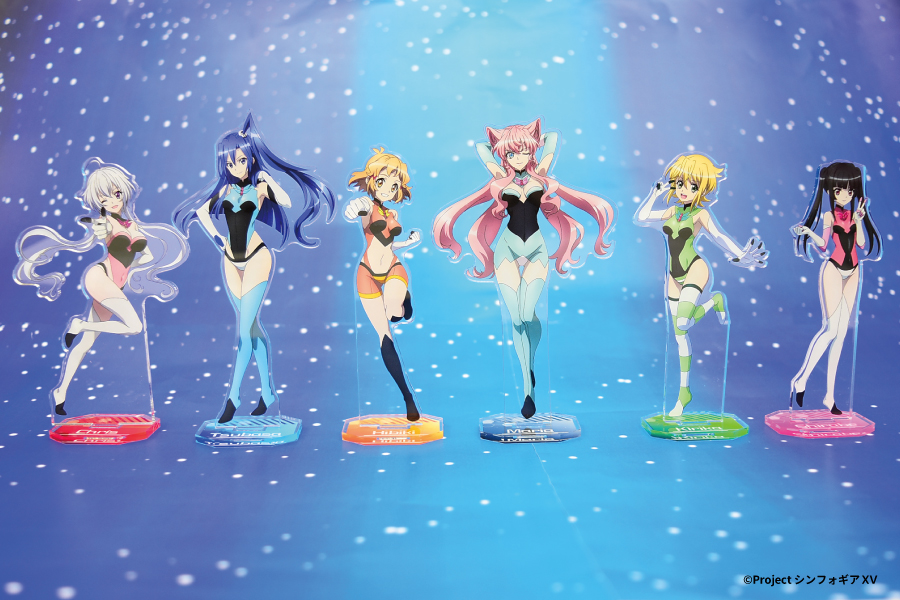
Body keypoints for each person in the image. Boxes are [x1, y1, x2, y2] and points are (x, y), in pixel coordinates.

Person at [434, 119, 614, 419]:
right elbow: (481, 146)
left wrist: (530, 141)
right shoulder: (498, 181)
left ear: (531, 152)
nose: (518, 158)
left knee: (528, 313)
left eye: (523, 152)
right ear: (504, 156)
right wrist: (502, 145)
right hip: (507, 249)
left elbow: (552, 135)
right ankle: (528, 386)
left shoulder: (541, 177)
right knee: (516, 318)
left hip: (536, 250)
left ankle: (530, 365)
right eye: (511, 154)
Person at [173, 112, 335, 423]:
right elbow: (202, 212)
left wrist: (268, 180)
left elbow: (286, 202)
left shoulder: (258, 190)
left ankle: (233, 397)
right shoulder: (224, 191)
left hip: (258, 259)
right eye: (231, 163)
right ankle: (268, 392)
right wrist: (218, 239)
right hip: (230, 262)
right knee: (252, 328)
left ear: (250, 159)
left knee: (243, 333)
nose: (237, 167)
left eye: (242, 161)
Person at [635, 153, 767, 416]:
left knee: (683, 322)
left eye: (692, 186)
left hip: (695, 269)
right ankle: (684, 392)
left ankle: (713, 300)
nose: (684, 190)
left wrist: (740, 253)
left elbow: (718, 236)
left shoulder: (701, 214)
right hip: (672, 275)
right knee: (679, 335)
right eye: (680, 184)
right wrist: (654, 193)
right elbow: (642, 216)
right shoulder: (672, 211)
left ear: (702, 189)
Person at [791, 161, 881, 414]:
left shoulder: (855, 215)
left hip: (854, 271)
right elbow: (823, 245)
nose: (845, 195)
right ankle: (801, 380)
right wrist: (807, 231)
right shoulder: (829, 216)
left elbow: (861, 244)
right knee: (831, 329)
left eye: (850, 191)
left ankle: (829, 397)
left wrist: (860, 220)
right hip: (833, 270)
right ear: (831, 191)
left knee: (842, 334)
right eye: (840, 190)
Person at [344, 149, 421, 421]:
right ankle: (407, 397)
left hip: (392, 269)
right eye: (382, 182)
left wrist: (407, 242)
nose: (388, 189)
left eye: (394, 185)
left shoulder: (392, 211)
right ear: (372, 180)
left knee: (393, 311)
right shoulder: (367, 206)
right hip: (366, 274)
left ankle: (403, 303)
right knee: (384, 334)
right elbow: (359, 209)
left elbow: (388, 244)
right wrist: (353, 208)